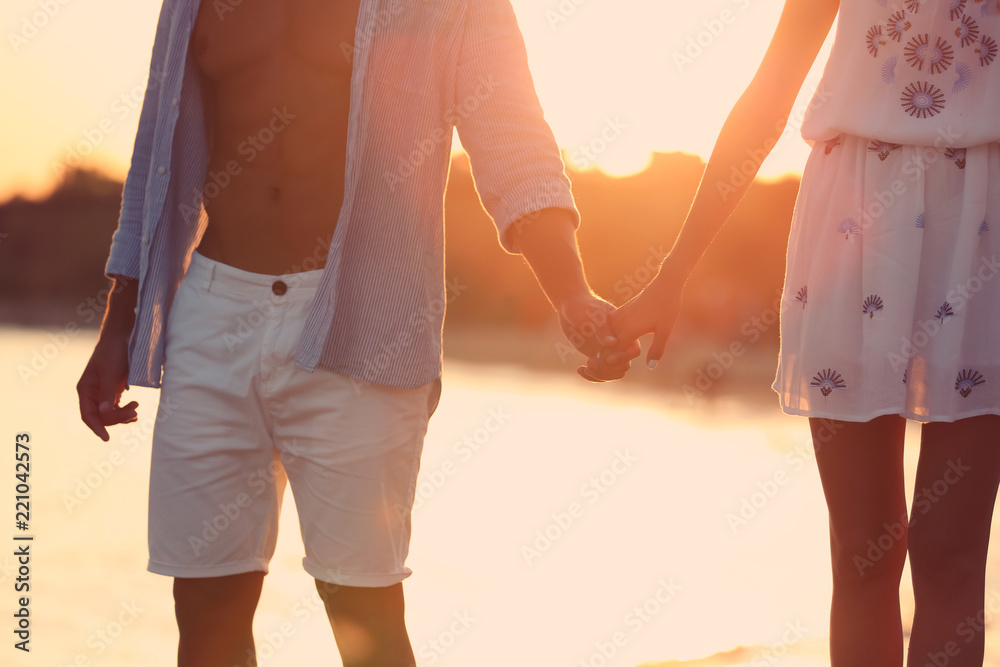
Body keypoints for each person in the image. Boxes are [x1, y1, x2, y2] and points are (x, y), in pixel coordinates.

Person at [76, 1, 635, 665]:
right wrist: (121, 323)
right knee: (204, 607)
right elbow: (155, 149)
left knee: (362, 606)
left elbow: (513, 138)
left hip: (364, 319)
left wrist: (569, 291)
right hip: (211, 310)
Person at [602, 0, 1000, 664]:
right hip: (855, 219)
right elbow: (768, 94)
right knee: (865, 550)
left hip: (986, 218)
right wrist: (673, 272)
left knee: (955, 555)